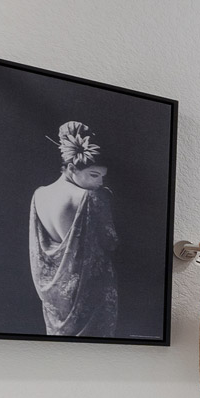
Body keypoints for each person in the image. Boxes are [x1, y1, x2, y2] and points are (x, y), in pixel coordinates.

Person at [29, 121, 119, 336]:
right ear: (71, 168)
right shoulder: (89, 197)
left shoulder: (39, 193)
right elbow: (111, 242)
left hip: (55, 295)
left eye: (102, 177)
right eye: (93, 175)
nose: (99, 182)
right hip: (88, 291)